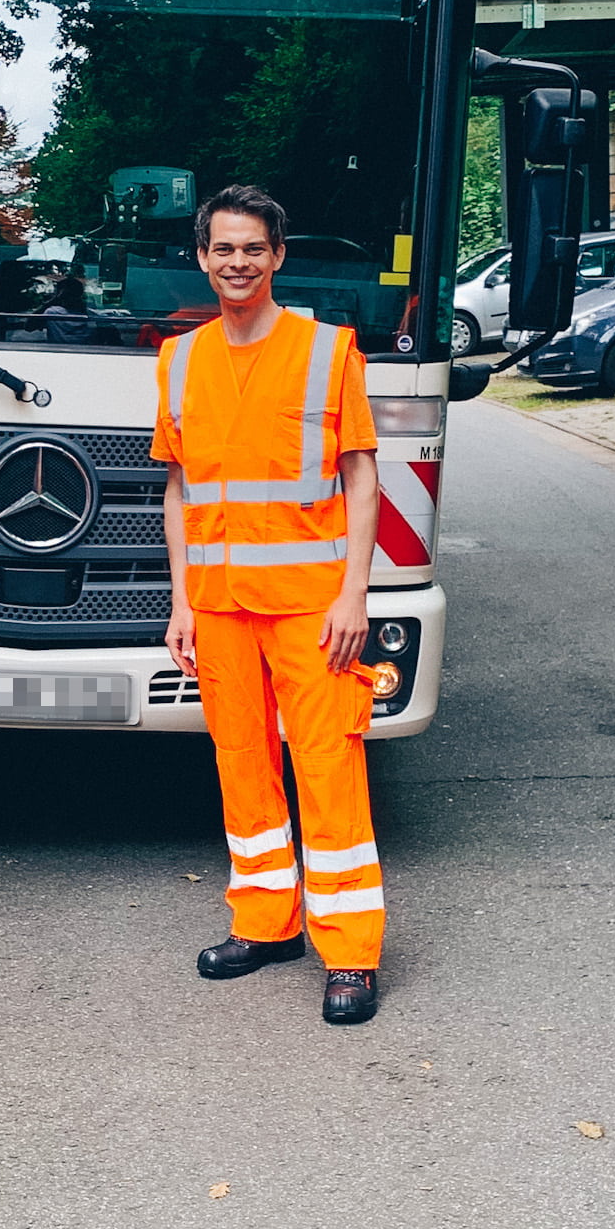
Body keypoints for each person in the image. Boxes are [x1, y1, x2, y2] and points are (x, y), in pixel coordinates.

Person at [152, 184, 386, 1025]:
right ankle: (265, 923)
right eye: (223, 249)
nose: (238, 263)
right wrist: (181, 601)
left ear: (278, 257)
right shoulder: (179, 360)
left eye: (253, 249)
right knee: (242, 766)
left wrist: (356, 591)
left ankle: (351, 950)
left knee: (328, 770)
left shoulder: (327, 352)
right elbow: (179, 490)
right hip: (217, 609)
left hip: (310, 607)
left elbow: (362, 479)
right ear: (203, 258)